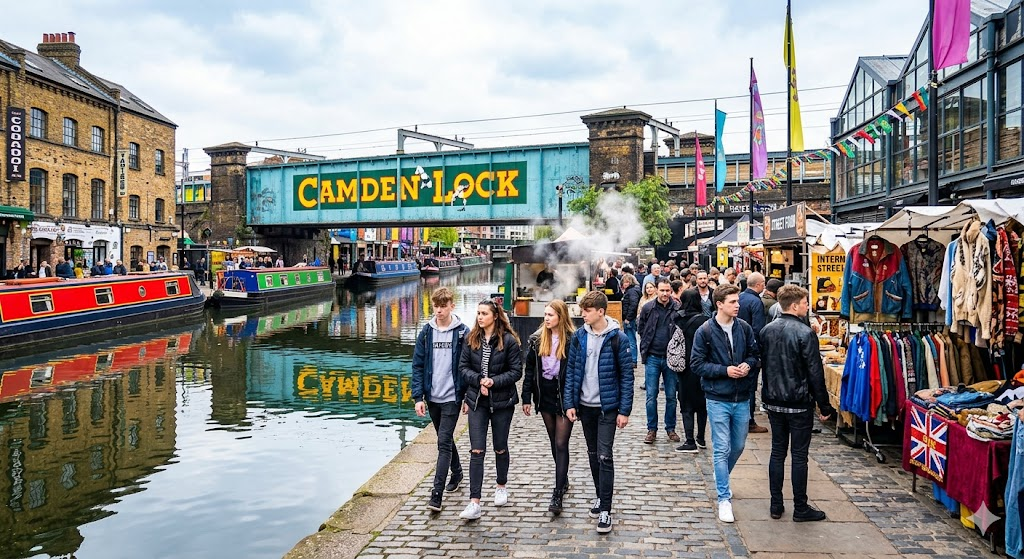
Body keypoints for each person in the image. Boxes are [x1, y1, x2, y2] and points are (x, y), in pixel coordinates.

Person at [759, 284, 835, 522]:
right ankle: (800, 507)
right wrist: (824, 405)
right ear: (794, 305)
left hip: (774, 400)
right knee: (799, 456)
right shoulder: (805, 333)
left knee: (777, 452)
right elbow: (815, 373)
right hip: (798, 401)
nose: (807, 306)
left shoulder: (767, 330)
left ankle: (776, 504)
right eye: (804, 303)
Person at [563, 290, 633, 534]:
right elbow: (571, 371)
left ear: (600, 312)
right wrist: (570, 403)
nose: (582, 315)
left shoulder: (618, 339)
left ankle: (605, 509)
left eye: (587, 310)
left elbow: (626, 376)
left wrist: (624, 410)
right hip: (585, 407)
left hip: (607, 408)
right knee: (593, 454)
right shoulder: (579, 337)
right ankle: (599, 495)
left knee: (605, 455)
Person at [691, 284, 760, 523]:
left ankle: (722, 477)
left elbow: (755, 354)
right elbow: (696, 364)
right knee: (721, 448)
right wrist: (724, 370)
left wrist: (748, 365)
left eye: (737, 301)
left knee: (738, 445)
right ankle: (723, 498)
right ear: (719, 304)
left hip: (742, 397)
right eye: (732, 302)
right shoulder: (705, 331)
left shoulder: (744, 328)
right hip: (717, 397)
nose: (737, 305)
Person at [458, 299, 523, 521]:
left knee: (499, 446)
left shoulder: (509, 341)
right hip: (477, 401)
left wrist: (493, 382)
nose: (480, 317)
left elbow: (516, 372)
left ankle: (501, 485)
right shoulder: (471, 339)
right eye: (478, 313)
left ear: (495, 316)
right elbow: (463, 368)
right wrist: (479, 381)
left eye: (484, 313)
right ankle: (474, 502)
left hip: (502, 402)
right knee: (477, 450)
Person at [411, 287, 470, 513]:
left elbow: (468, 367)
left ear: (451, 306)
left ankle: (436, 494)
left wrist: (466, 396)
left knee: (443, 442)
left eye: (443, 306)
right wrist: (418, 397)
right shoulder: (427, 332)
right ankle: (457, 472)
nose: (439, 311)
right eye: (436, 306)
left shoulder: (463, 332)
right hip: (432, 397)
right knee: (444, 438)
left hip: (452, 398)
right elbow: (418, 365)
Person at [522, 299, 576, 514]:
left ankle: (557, 492)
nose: (546, 318)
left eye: (550, 315)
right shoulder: (537, 339)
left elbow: (574, 371)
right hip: (544, 392)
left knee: (562, 442)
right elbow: (530, 370)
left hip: (563, 393)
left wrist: (574, 398)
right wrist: (526, 398)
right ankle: (562, 478)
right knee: (554, 441)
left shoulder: (572, 340)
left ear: (561, 317)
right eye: (545, 315)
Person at [637, 279, 682, 444]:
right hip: (653, 356)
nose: (664, 294)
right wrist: (646, 347)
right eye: (662, 290)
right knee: (651, 395)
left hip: (671, 358)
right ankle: (652, 429)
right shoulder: (648, 308)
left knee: (671, 396)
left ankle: (670, 428)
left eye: (667, 291)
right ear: (656, 290)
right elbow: (641, 328)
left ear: (671, 291)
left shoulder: (677, 308)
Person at [672, 289, 710, 453]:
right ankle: (701, 437)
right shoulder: (706, 321)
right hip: (702, 366)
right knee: (702, 404)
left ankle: (689, 440)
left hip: (685, 366)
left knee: (686, 404)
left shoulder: (678, 319)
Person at [738, 272, 769, 434]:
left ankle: (740, 419)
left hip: (738, 348)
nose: (764, 287)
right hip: (750, 350)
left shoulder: (739, 297)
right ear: (759, 284)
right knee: (750, 387)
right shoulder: (756, 302)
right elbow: (758, 329)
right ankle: (749, 421)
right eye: (763, 283)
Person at [619, 273, 641, 363]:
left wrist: (628, 318)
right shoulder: (633, 290)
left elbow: (633, 305)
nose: (625, 284)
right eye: (624, 282)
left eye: (627, 282)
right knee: (630, 339)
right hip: (630, 318)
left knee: (630, 339)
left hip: (630, 319)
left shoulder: (631, 291)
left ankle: (633, 360)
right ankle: (632, 359)